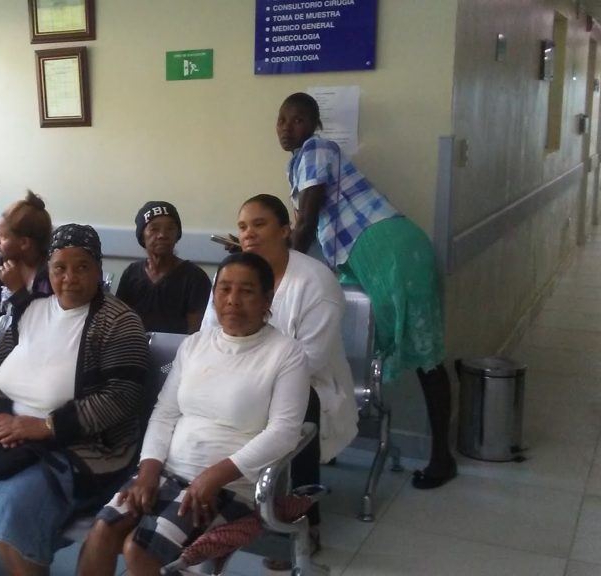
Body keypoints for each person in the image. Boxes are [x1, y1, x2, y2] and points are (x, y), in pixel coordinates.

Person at [0, 224, 150, 576]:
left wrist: (46, 427)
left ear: (98, 270)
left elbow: (121, 398)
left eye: (82, 267)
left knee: (10, 509)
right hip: (13, 438)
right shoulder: (30, 311)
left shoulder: (120, 323)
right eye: (60, 267)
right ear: (48, 269)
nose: (69, 277)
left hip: (85, 447)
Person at [78, 252, 310, 576]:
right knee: (103, 531)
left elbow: (284, 432)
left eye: (246, 291)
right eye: (224, 289)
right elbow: (165, 412)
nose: (232, 300)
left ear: (267, 299)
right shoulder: (195, 345)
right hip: (167, 472)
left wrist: (213, 476)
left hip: (231, 487)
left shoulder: (286, 354)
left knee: (139, 549)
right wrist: (148, 472)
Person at [278, 91, 456, 489]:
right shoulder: (300, 162)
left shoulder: (317, 149)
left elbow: (305, 224)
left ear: (315, 125)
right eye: (282, 120)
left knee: (427, 355)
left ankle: (442, 458)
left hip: (392, 251)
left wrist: (280, 270)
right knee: (353, 344)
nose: (288, 128)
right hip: (372, 254)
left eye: (299, 119)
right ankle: (335, 439)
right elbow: (301, 227)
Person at [201, 194, 358, 568]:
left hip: (311, 384)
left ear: (285, 230)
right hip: (239, 376)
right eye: (242, 227)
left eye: (260, 224)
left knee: (300, 404)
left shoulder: (316, 283)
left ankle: (304, 519)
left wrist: (249, 381)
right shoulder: (234, 275)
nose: (249, 234)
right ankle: (221, 498)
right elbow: (210, 335)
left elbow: (310, 360)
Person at [0, 190, 53, 371]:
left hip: (41, 346)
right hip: (1, 339)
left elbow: (45, 323)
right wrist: (0, 339)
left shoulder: (50, 272)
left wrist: (18, 291)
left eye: (3, 236)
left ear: (24, 243)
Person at [116, 201, 211, 334]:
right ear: (142, 236)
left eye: (170, 229)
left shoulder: (195, 277)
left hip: (180, 347)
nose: (162, 235)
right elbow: (120, 322)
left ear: (177, 235)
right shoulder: (131, 274)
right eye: (154, 229)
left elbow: (196, 334)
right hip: (134, 344)